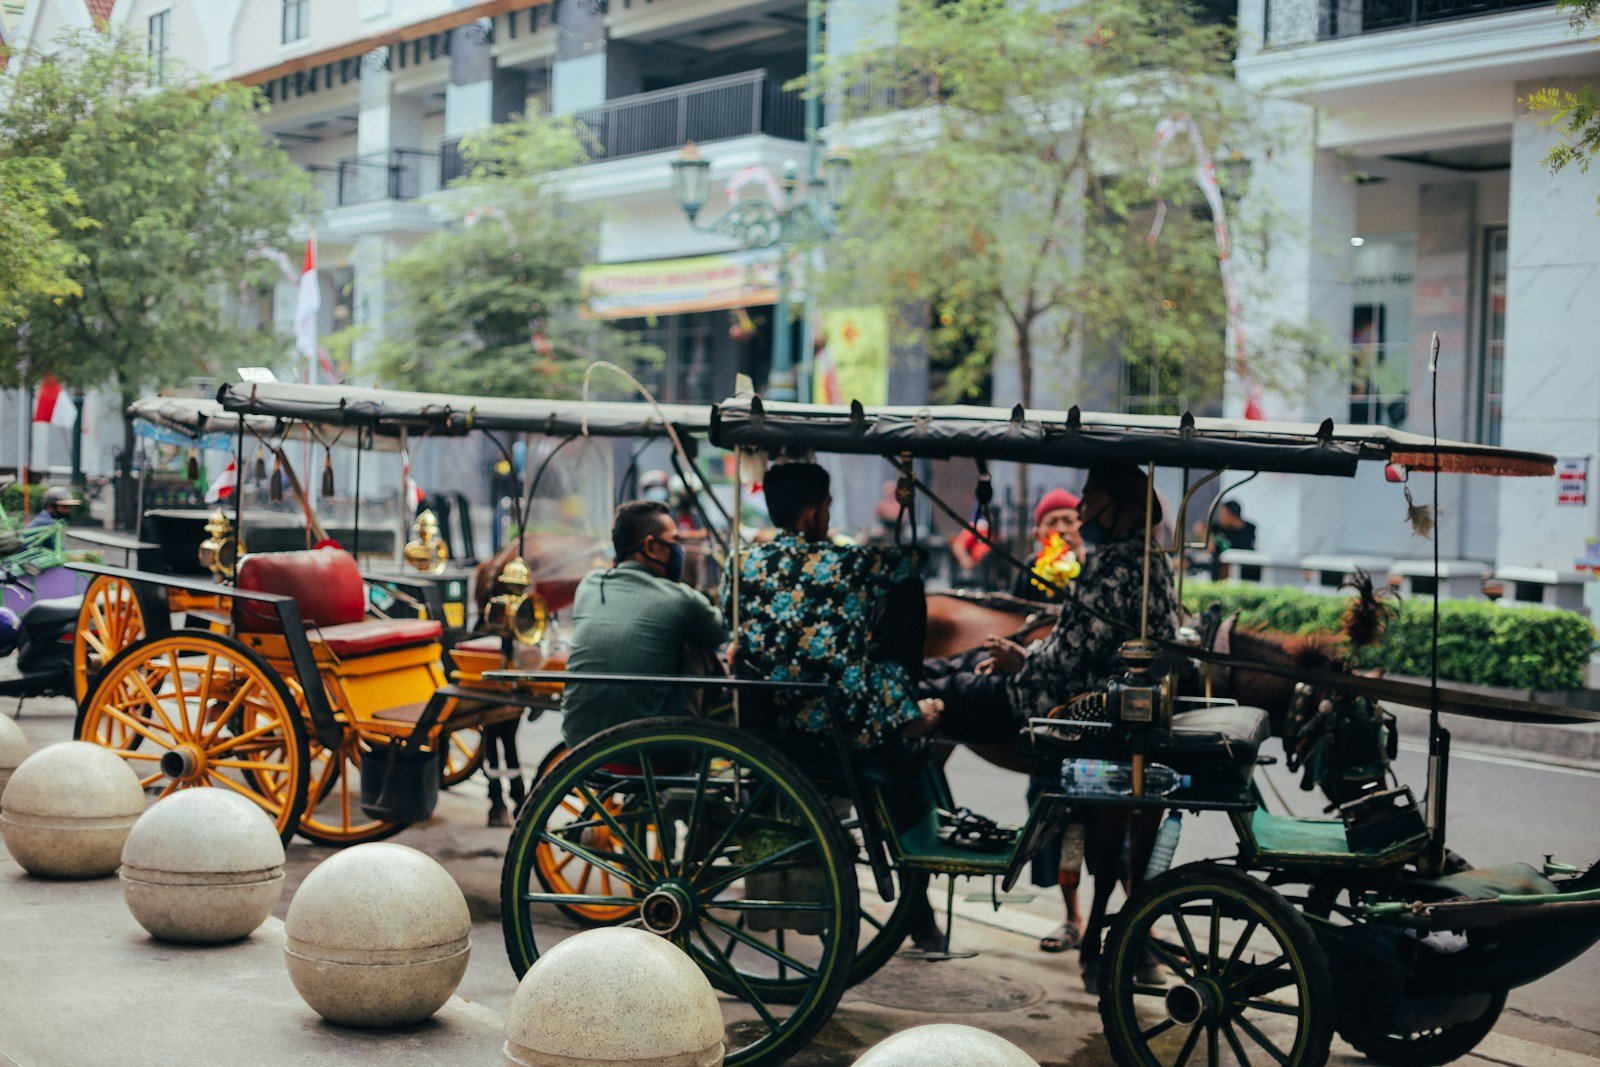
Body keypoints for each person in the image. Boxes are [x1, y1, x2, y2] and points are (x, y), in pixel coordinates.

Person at [919, 460, 1182, 742]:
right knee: (962, 662)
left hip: (1074, 697)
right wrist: (1025, 655)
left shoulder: (1117, 563)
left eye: (1090, 502)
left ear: (1127, 512)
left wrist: (1024, 660)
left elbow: (1068, 657)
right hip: (1079, 679)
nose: (1082, 511)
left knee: (943, 687)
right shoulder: (1146, 555)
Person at [728, 462, 942, 748]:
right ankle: (902, 709)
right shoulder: (851, 561)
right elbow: (914, 563)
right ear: (812, 515)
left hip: (769, 706)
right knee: (909, 586)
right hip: (843, 714)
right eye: (827, 510)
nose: (828, 519)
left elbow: (726, 618)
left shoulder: (740, 561)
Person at [560, 500, 728, 749]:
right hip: (655, 750)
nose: (679, 549)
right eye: (675, 541)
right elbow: (719, 632)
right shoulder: (680, 598)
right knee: (699, 647)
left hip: (580, 745)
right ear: (651, 546)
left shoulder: (590, 584)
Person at [1011, 488, 1082, 603]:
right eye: (1052, 523)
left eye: (1069, 521)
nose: (1061, 529)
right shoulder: (1032, 567)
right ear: (1038, 535)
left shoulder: (1095, 565)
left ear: (1083, 528)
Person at [1207, 499, 1257, 577]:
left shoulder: (1249, 530)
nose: (1221, 517)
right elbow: (1201, 528)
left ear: (1231, 515)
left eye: (1223, 514)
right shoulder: (1217, 528)